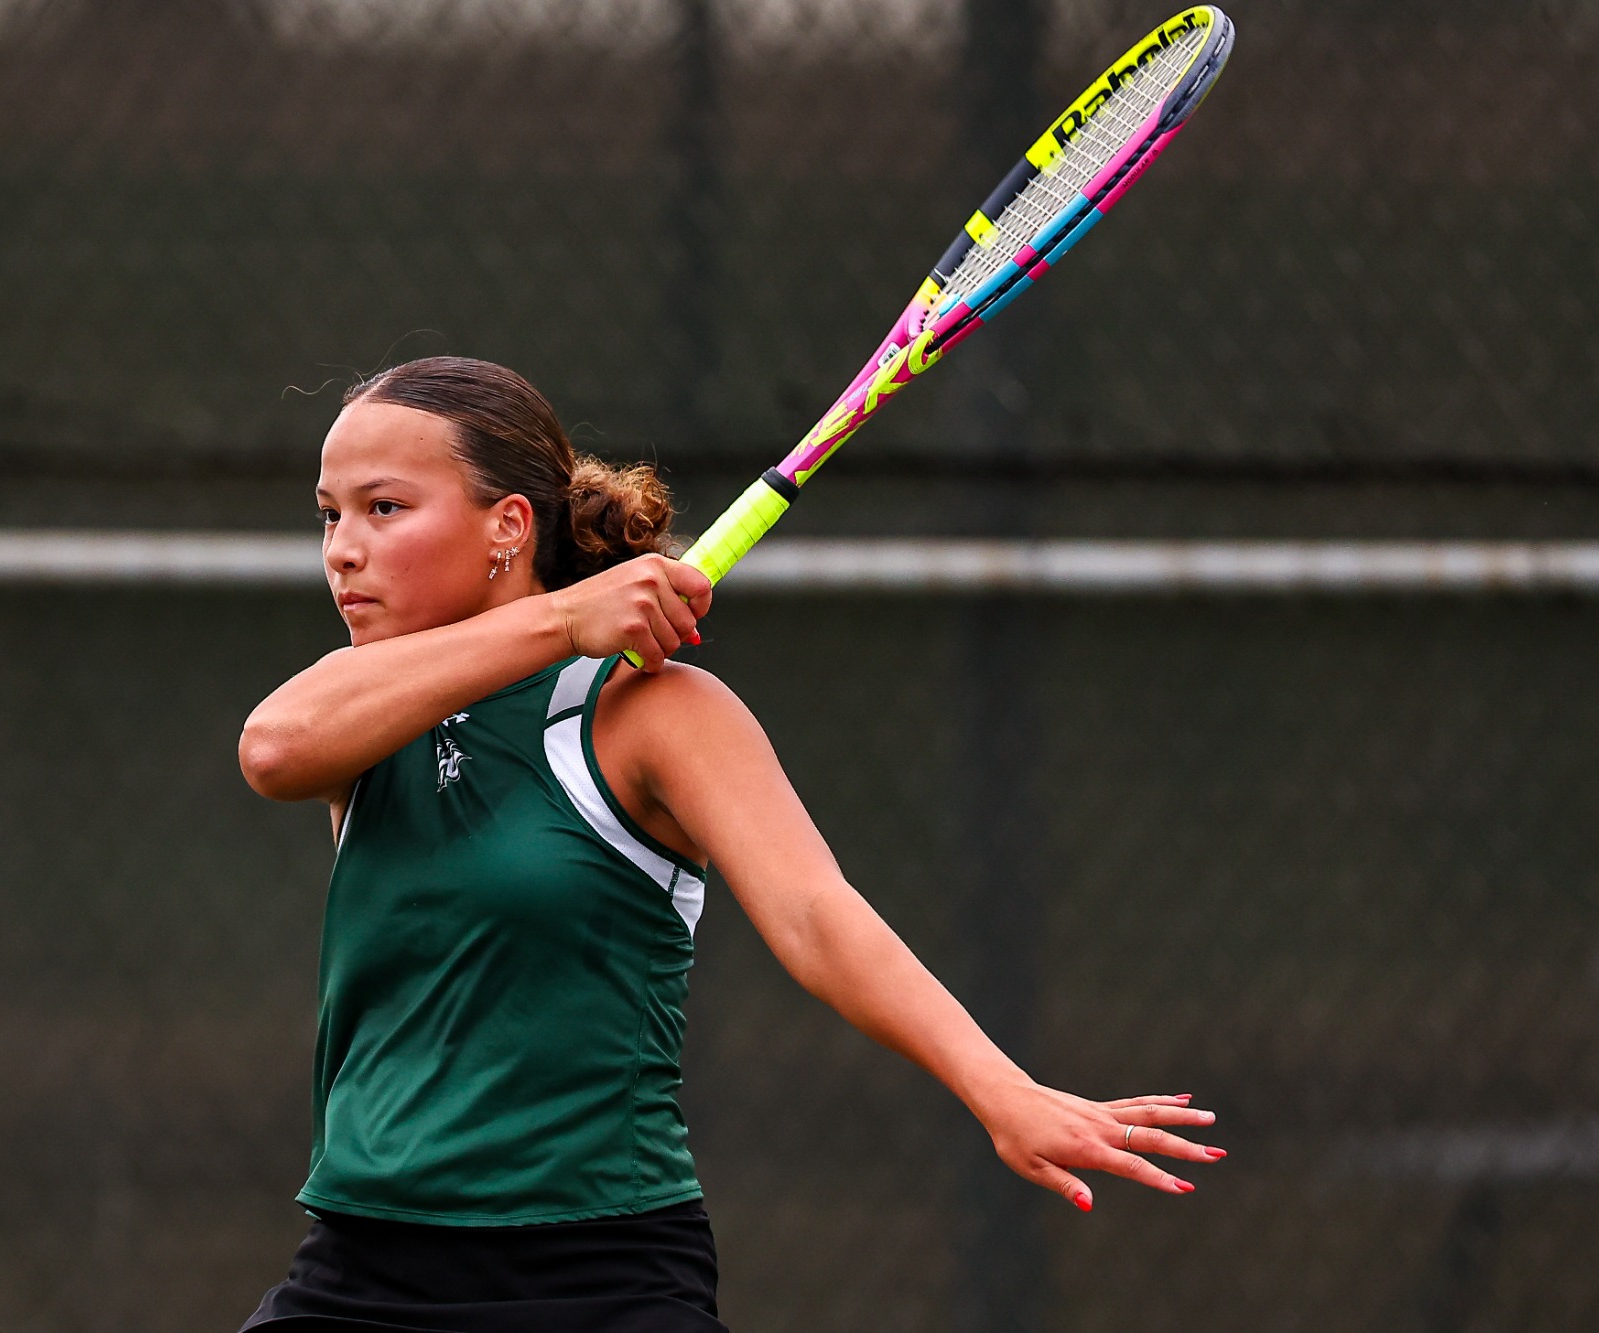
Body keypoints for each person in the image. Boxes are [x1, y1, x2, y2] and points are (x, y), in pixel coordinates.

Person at [235, 356, 1222, 1332]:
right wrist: (564, 616)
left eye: (384, 508)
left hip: (596, 1274)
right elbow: (274, 749)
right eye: (329, 514)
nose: (342, 549)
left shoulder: (649, 713)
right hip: (360, 1270)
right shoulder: (363, 704)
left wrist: (996, 1087)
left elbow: (814, 917)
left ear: (507, 526)